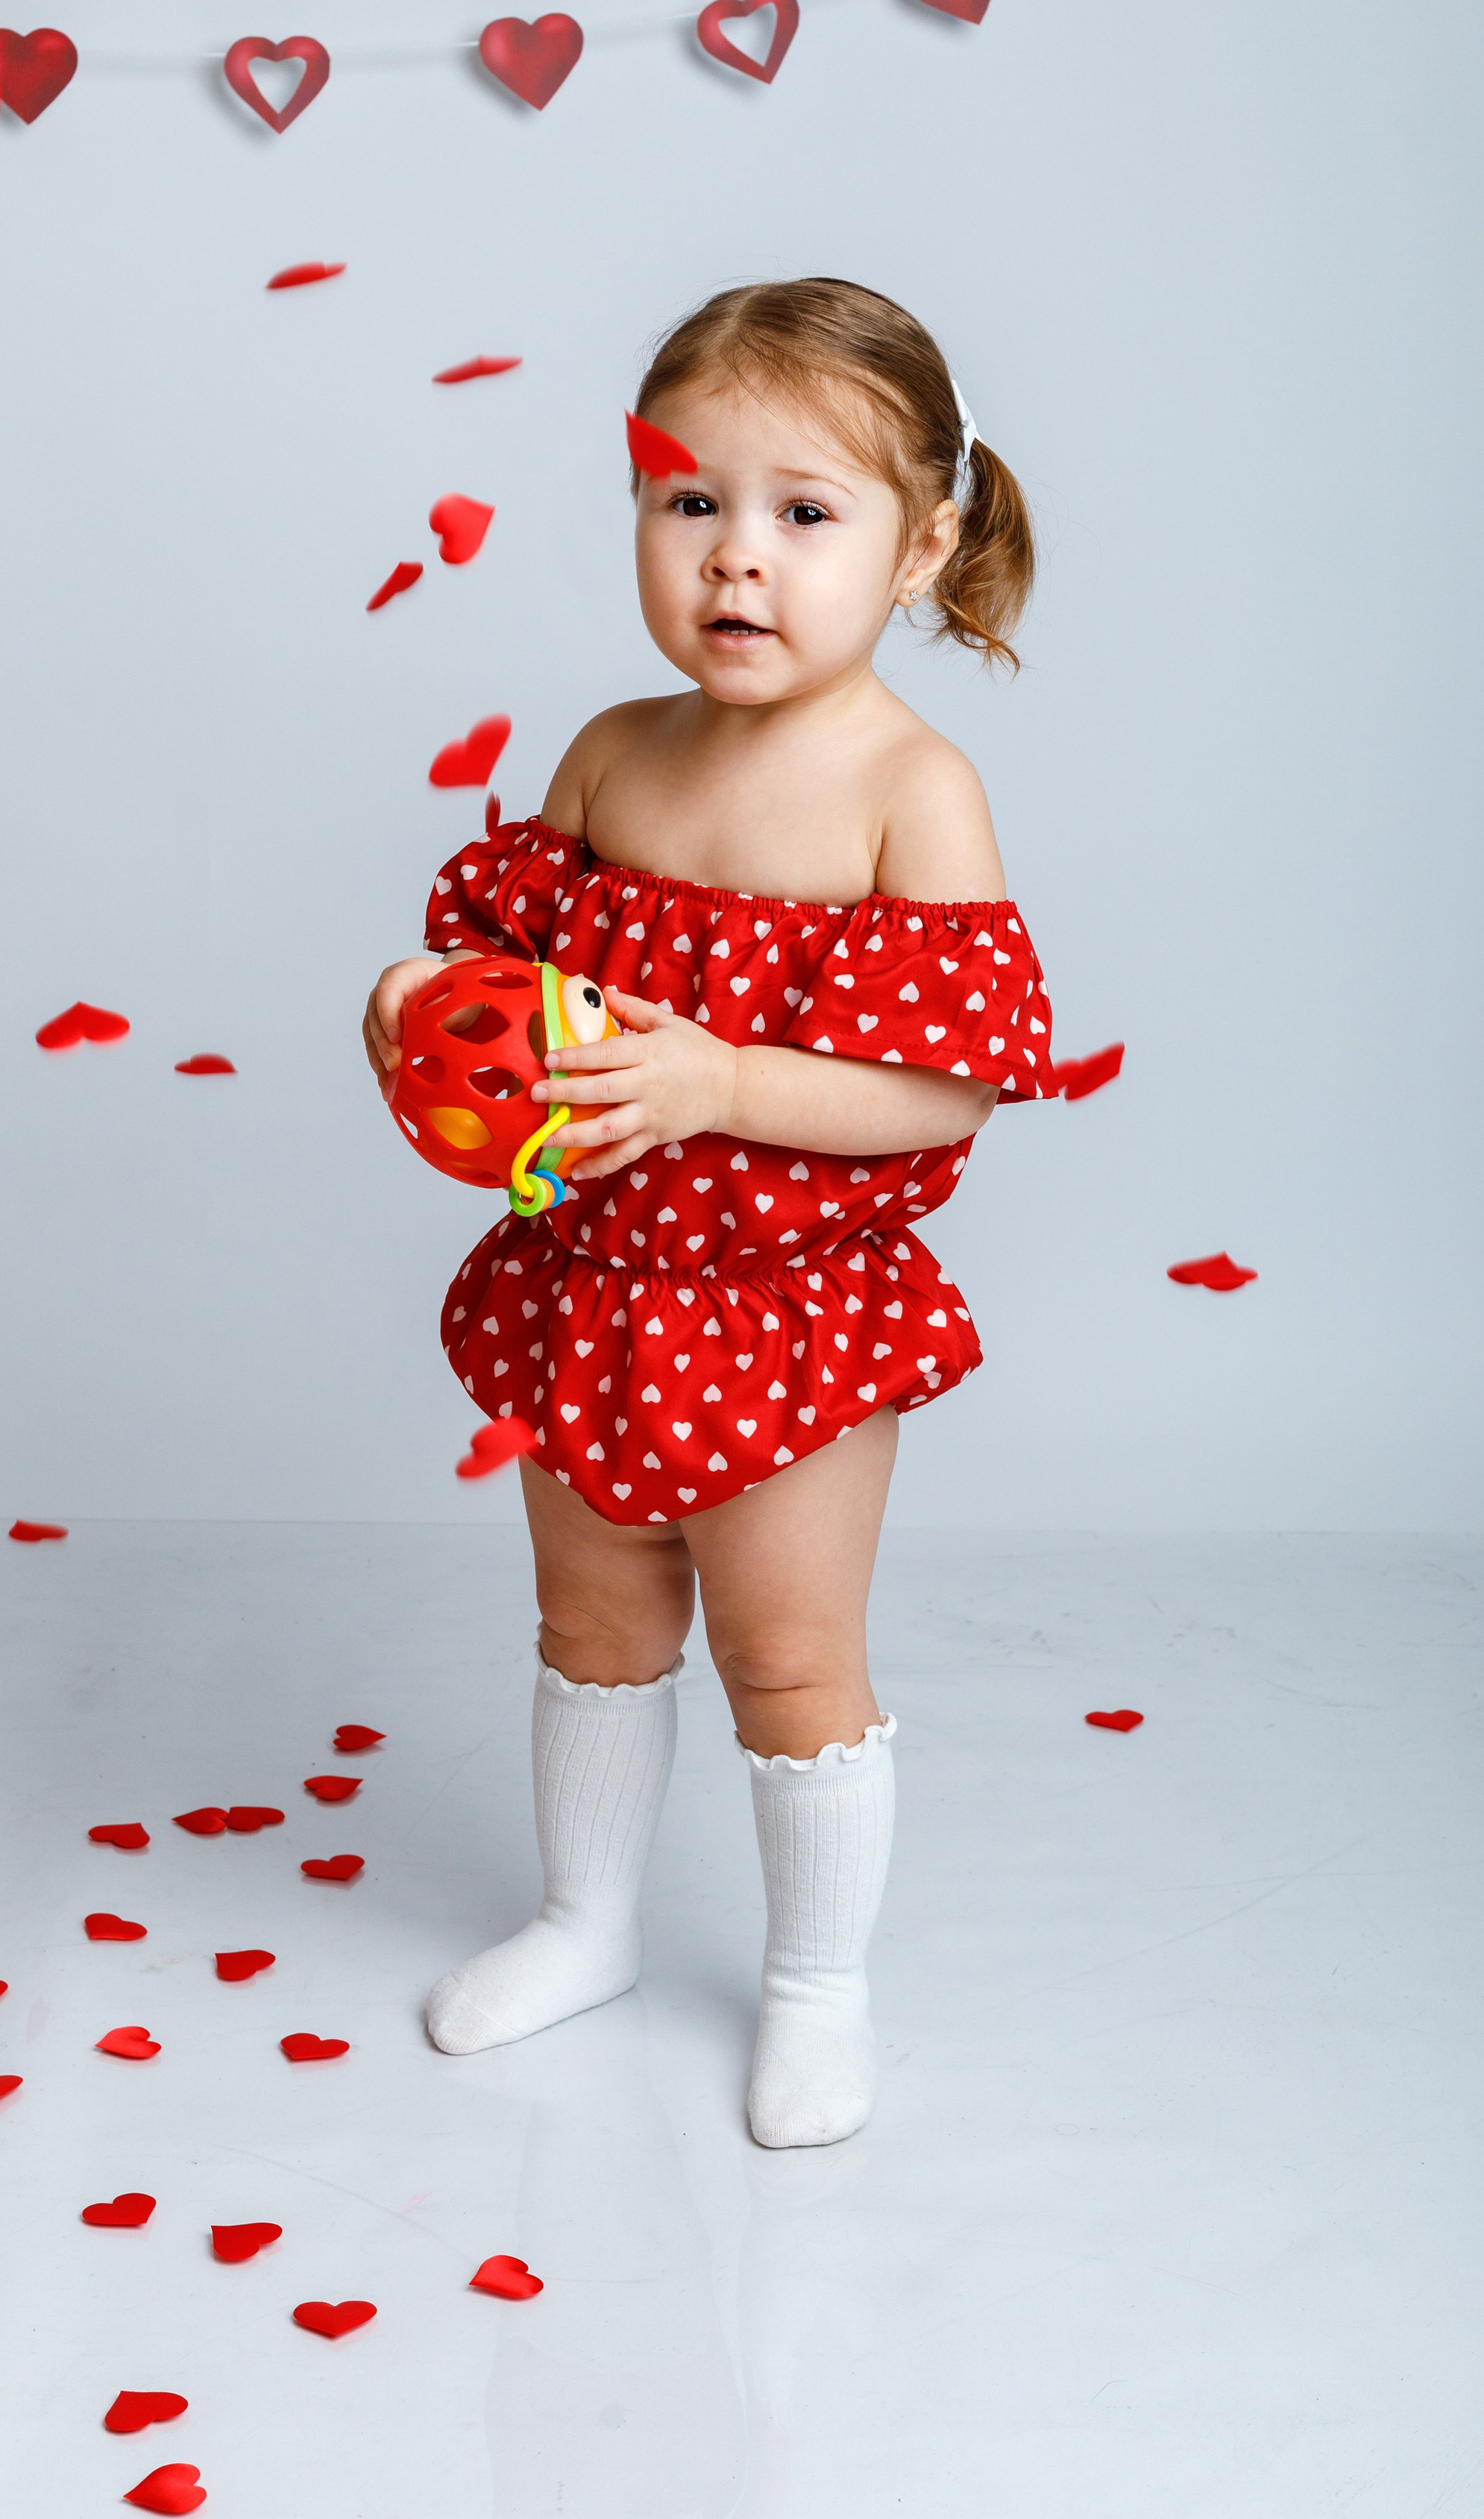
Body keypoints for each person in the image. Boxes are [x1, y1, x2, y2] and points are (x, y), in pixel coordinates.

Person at [362, 277, 1057, 2146]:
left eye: (801, 514)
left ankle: (814, 1983)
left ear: (919, 546)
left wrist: (722, 1086)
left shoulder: (911, 791)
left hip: (784, 1307)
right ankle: (584, 1917)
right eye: (689, 505)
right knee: (590, 1624)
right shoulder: (612, 751)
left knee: (783, 1651)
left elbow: (945, 1085)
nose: (735, 562)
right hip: (585, 1270)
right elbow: (491, 964)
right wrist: (414, 1010)